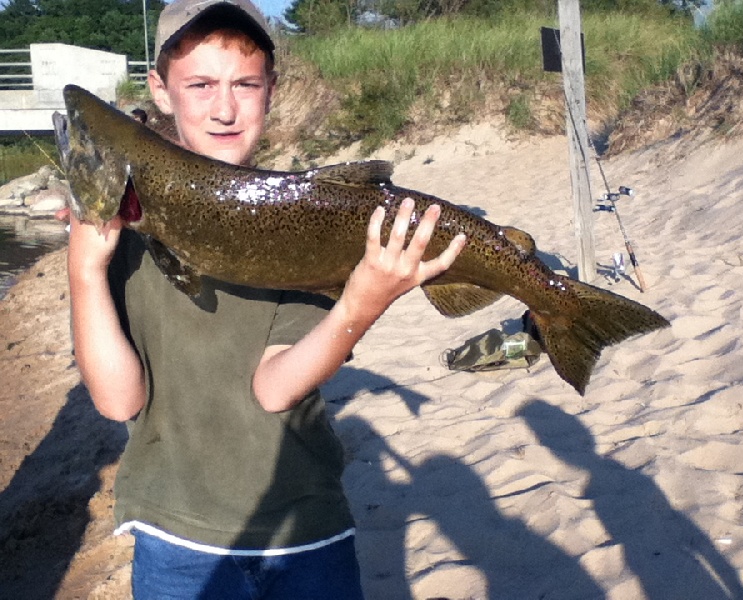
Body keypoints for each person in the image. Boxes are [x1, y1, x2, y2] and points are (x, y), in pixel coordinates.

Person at [64, 0, 466, 597]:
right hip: (174, 537)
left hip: (307, 530)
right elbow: (119, 401)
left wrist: (363, 302)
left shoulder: (303, 219)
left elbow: (274, 387)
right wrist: (84, 270)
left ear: (271, 89)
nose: (224, 108)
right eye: (200, 84)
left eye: (245, 84)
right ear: (161, 89)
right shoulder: (121, 239)